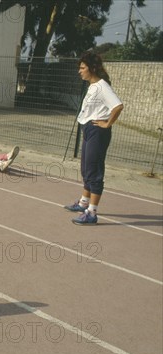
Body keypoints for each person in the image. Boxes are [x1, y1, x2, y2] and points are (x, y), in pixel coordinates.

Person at [64, 52, 123, 226]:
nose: (79, 71)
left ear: (92, 68)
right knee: (85, 168)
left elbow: (118, 106)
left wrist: (107, 124)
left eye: (82, 68)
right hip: (89, 129)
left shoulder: (102, 86)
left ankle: (92, 212)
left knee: (94, 172)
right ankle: (83, 203)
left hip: (98, 131)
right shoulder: (92, 86)